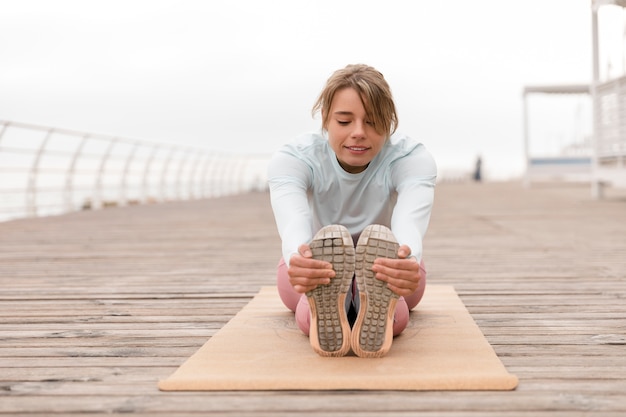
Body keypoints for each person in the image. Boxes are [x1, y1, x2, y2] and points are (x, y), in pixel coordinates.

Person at [267, 64, 436, 358]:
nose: (358, 133)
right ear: (325, 120)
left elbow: (409, 221)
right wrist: (299, 259)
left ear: (390, 122)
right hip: (319, 263)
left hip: (385, 263)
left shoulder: (411, 157)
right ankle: (336, 304)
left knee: (407, 296)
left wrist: (407, 260)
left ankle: (360, 305)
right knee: (300, 297)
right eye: (344, 121)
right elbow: (294, 220)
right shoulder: (294, 157)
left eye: (372, 122)